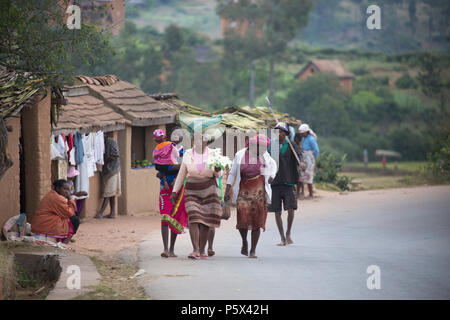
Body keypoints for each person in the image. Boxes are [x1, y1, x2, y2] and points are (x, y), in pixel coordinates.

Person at [170, 134, 222, 260]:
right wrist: (175, 191)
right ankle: (195, 249)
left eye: (202, 140)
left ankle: (203, 250)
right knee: (193, 217)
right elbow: (182, 173)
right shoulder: (188, 153)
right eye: (197, 139)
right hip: (192, 188)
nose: (200, 142)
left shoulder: (214, 154)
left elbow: (218, 174)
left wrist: (217, 169)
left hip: (209, 188)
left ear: (206, 142)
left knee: (205, 221)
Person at [225, 134, 277, 258]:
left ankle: (253, 250)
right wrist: (227, 188)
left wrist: (271, 176)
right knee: (242, 218)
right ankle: (244, 241)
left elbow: (273, 167)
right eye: (262, 147)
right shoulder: (240, 155)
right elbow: (232, 173)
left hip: (259, 191)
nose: (264, 150)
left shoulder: (265, 157)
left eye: (265, 147)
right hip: (244, 190)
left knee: (257, 221)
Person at [153, 129, 187, 258]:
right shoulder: (161, 150)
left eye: (179, 136)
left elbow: (184, 167)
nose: (177, 138)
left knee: (174, 217)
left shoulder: (183, 151)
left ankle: (171, 249)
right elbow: (159, 168)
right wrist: (167, 174)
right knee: (164, 218)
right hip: (165, 186)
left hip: (177, 187)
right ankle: (166, 249)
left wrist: (170, 170)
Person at [269, 122, 303, 246]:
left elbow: (300, 157)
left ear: (286, 133)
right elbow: (267, 161)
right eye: (277, 131)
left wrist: (302, 164)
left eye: (281, 131)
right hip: (275, 182)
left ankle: (288, 233)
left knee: (290, 209)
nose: (278, 133)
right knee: (277, 211)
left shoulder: (292, 145)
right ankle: (282, 237)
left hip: (288, 182)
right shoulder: (272, 146)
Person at [95, 133, 121, 219]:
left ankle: (101, 212)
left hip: (112, 170)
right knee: (111, 193)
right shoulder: (106, 142)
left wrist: (105, 161)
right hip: (109, 170)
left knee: (108, 192)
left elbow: (115, 155)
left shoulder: (111, 142)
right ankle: (112, 213)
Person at [298, 124, 319, 198]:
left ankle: (311, 194)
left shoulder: (311, 139)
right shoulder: (304, 138)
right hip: (304, 156)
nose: (301, 134)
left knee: (309, 174)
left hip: (309, 157)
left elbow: (316, 150)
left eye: (302, 133)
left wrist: (314, 159)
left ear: (306, 132)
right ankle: (299, 193)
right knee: (301, 174)